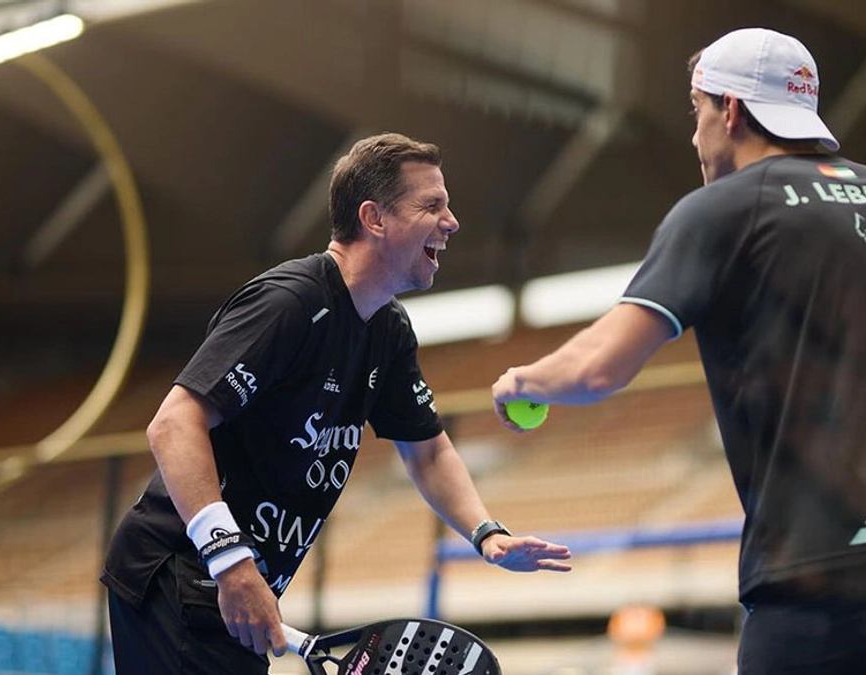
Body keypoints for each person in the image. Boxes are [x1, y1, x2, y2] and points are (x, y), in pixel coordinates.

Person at [491, 28, 866, 675]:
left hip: (822, 584)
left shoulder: (722, 212)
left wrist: (522, 381)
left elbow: (599, 365)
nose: (694, 136)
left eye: (697, 111)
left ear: (732, 112)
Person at [102, 133, 572, 675]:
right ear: (374, 218)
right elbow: (173, 424)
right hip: (180, 571)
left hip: (237, 588)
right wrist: (230, 560)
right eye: (432, 205)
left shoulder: (389, 330)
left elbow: (428, 451)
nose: (452, 222)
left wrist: (487, 534)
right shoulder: (291, 302)